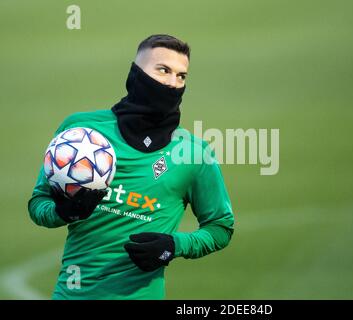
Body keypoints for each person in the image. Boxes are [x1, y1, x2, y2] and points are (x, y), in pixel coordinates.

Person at [28, 34, 235, 300]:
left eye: (181, 76)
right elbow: (38, 203)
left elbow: (220, 226)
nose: (173, 83)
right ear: (136, 73)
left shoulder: (194, 154)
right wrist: (64, 212)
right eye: (163, 70)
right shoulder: (80, 132)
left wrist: (174, 245)